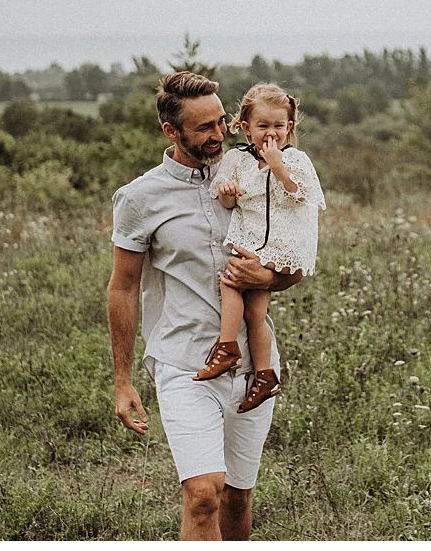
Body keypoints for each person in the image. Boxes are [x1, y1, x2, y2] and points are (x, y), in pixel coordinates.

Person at [106, 71, 303, 540]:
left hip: (254, 365)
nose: (218, 134)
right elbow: (123, 288)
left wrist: (268, 278)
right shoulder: (139, 198)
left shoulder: (252, 174)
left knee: (237, 496)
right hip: (184, 366)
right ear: (170, 131)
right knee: (202, 496)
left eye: (220, 122)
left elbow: (294, 261)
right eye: (203, 128)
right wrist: (122, 379)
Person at [194, 84, 325, 414]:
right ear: (245, 127)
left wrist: (277, 165)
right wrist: (228, 191)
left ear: (289, 127)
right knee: (255, 313)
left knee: (230, 282)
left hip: (279, 245)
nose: (271, 133)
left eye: (278, 126)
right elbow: (227, 202)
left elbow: (302, 195)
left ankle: (227, 349)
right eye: (262, 125)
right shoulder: (236, 159)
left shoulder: (294, 159)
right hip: (251, 240)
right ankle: (265, 376)